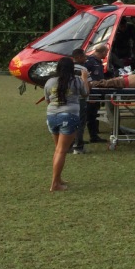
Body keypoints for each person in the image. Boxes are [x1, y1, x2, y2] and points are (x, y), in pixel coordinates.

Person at [44, 56, 89, 191]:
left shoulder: (50, 82)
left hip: (52, 116)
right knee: (61, 150)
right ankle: (55, 184)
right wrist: (85, 78)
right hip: (69, 116)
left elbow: (47, 100)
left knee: (58, 149)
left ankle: (57, 178)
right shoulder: (76, 81)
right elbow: (85, 93)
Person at [84, 44, 109, 143]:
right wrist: (90, 84)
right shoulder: (90, 62)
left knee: (94, 113)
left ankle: (95, 133)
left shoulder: (98, 62)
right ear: (102, 52)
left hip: (98, 91)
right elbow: (84, 74)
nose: (106, 55)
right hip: (92, 92)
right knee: (90, 114)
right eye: (106, 53)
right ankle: (92, 136)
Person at [70, 49, 91, 154]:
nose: (85, 58)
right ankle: (78, 147)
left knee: (69, 123)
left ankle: (68, 146)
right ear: (78, 57)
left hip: (69, 99)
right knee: (80, 123)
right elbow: (88, 85)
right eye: (84, 56)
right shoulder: (83, 69)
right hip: (80, 99)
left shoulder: (67, 69)